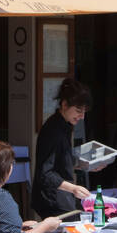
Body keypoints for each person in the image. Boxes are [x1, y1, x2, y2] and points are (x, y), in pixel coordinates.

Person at [32, 79, 94, 220]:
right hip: (52, 199)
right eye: (78, 111)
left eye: (84, 112)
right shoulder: (53, 130)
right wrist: (73, 188)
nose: (82, 117)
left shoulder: (65, 125)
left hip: (61, 195)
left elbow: (62, 159)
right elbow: (45, 173)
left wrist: (83, 164)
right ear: (65, 104)